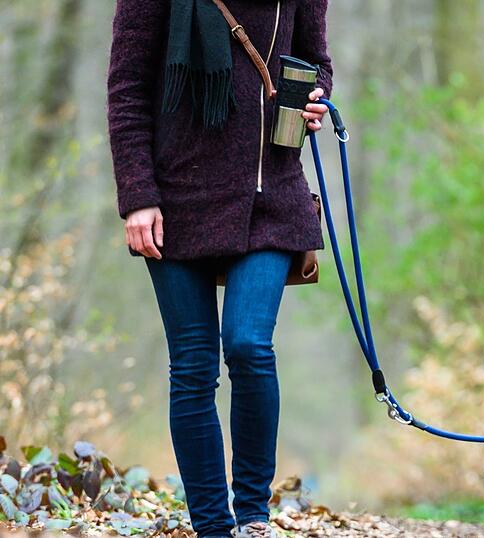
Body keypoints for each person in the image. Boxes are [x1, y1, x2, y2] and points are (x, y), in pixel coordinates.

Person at [106, 1, 332, 537]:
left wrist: (316, 100)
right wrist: (137, 196)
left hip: (268, 197)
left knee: (250, 346)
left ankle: (252, 517)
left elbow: (315, 61)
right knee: (193, 365)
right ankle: (212, 526)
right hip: (175, 200)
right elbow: (127, 89)